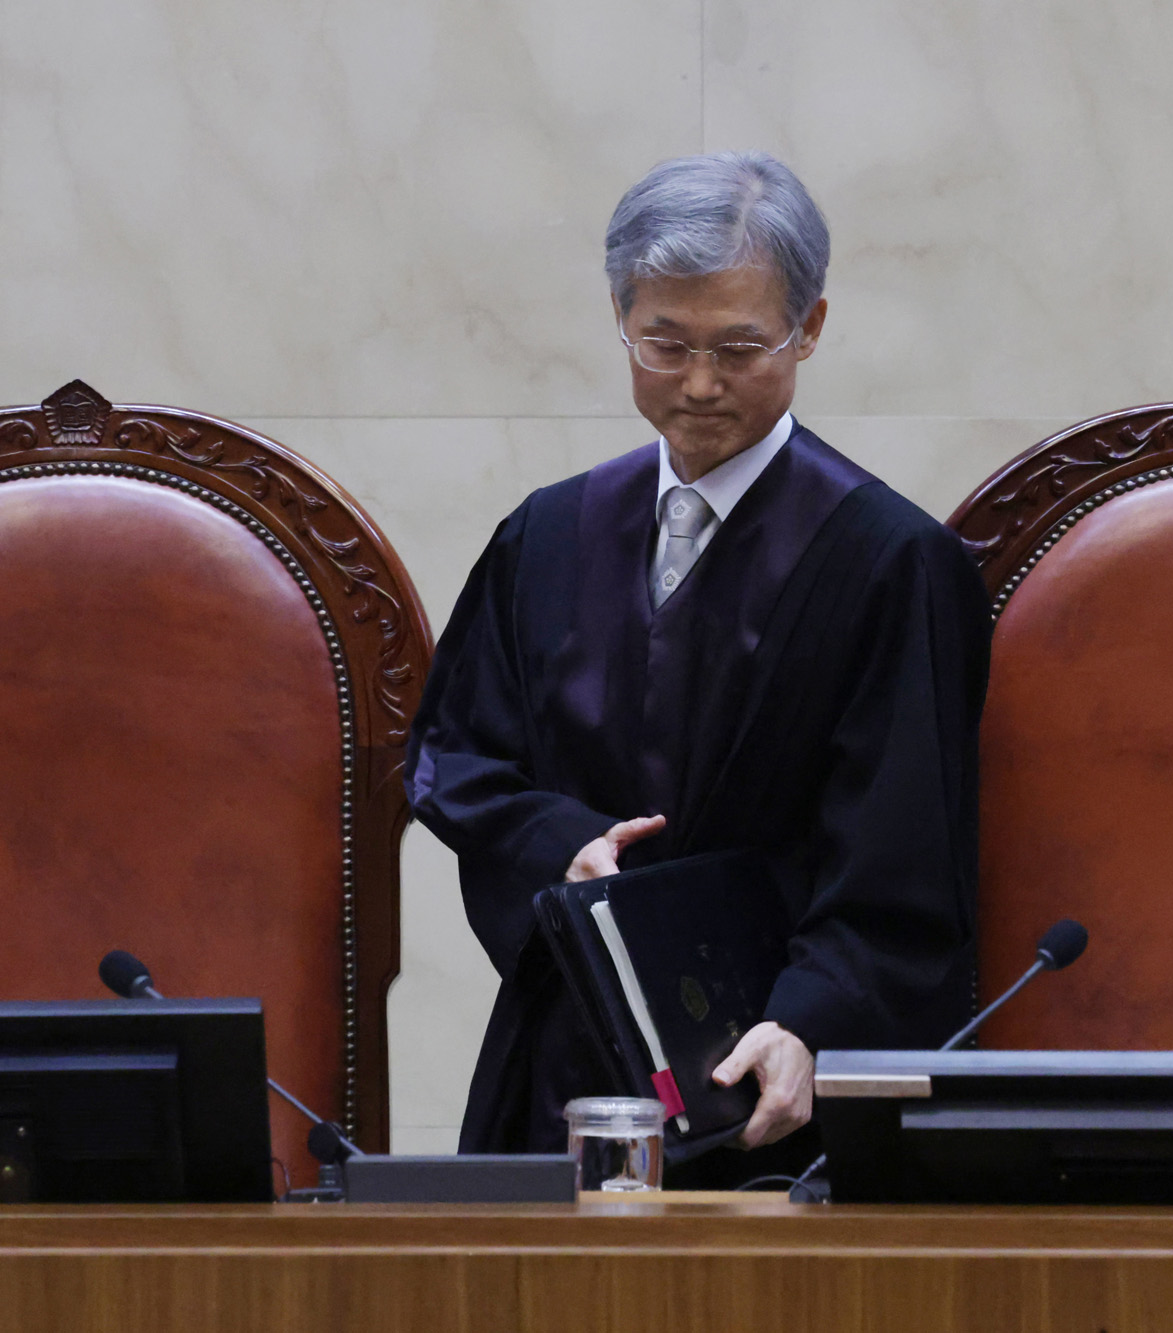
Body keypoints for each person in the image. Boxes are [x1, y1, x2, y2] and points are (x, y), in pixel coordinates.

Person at [406, 151, 991, 1178]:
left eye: (740, 346)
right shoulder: (548, 534)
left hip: (770, 1080)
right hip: (565, 1067)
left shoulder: (890, 562)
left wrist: (810, 1022)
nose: (701, 383)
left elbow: (903, 858)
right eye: (664, 343)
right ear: (620, 317)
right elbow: (455, 756)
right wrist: (563, 844)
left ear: (809, 326)